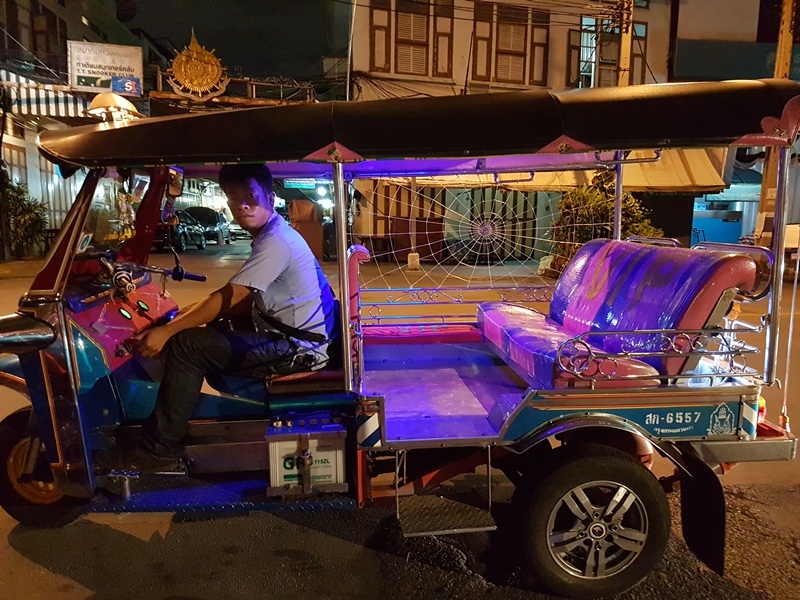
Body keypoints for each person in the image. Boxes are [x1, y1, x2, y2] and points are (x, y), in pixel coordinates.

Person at [111, 163, 336, 473]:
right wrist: (187, 314)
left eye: (251, 196)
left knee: (187, 345)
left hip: (298, 351)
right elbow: (240, 298)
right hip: (295, 339)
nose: (242, 204)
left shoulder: (277, 241)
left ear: (269, 198)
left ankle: (160, 448)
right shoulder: (271, 235)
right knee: (205, 326)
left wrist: (169, 332)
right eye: (233, 197)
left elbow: (234, 294)